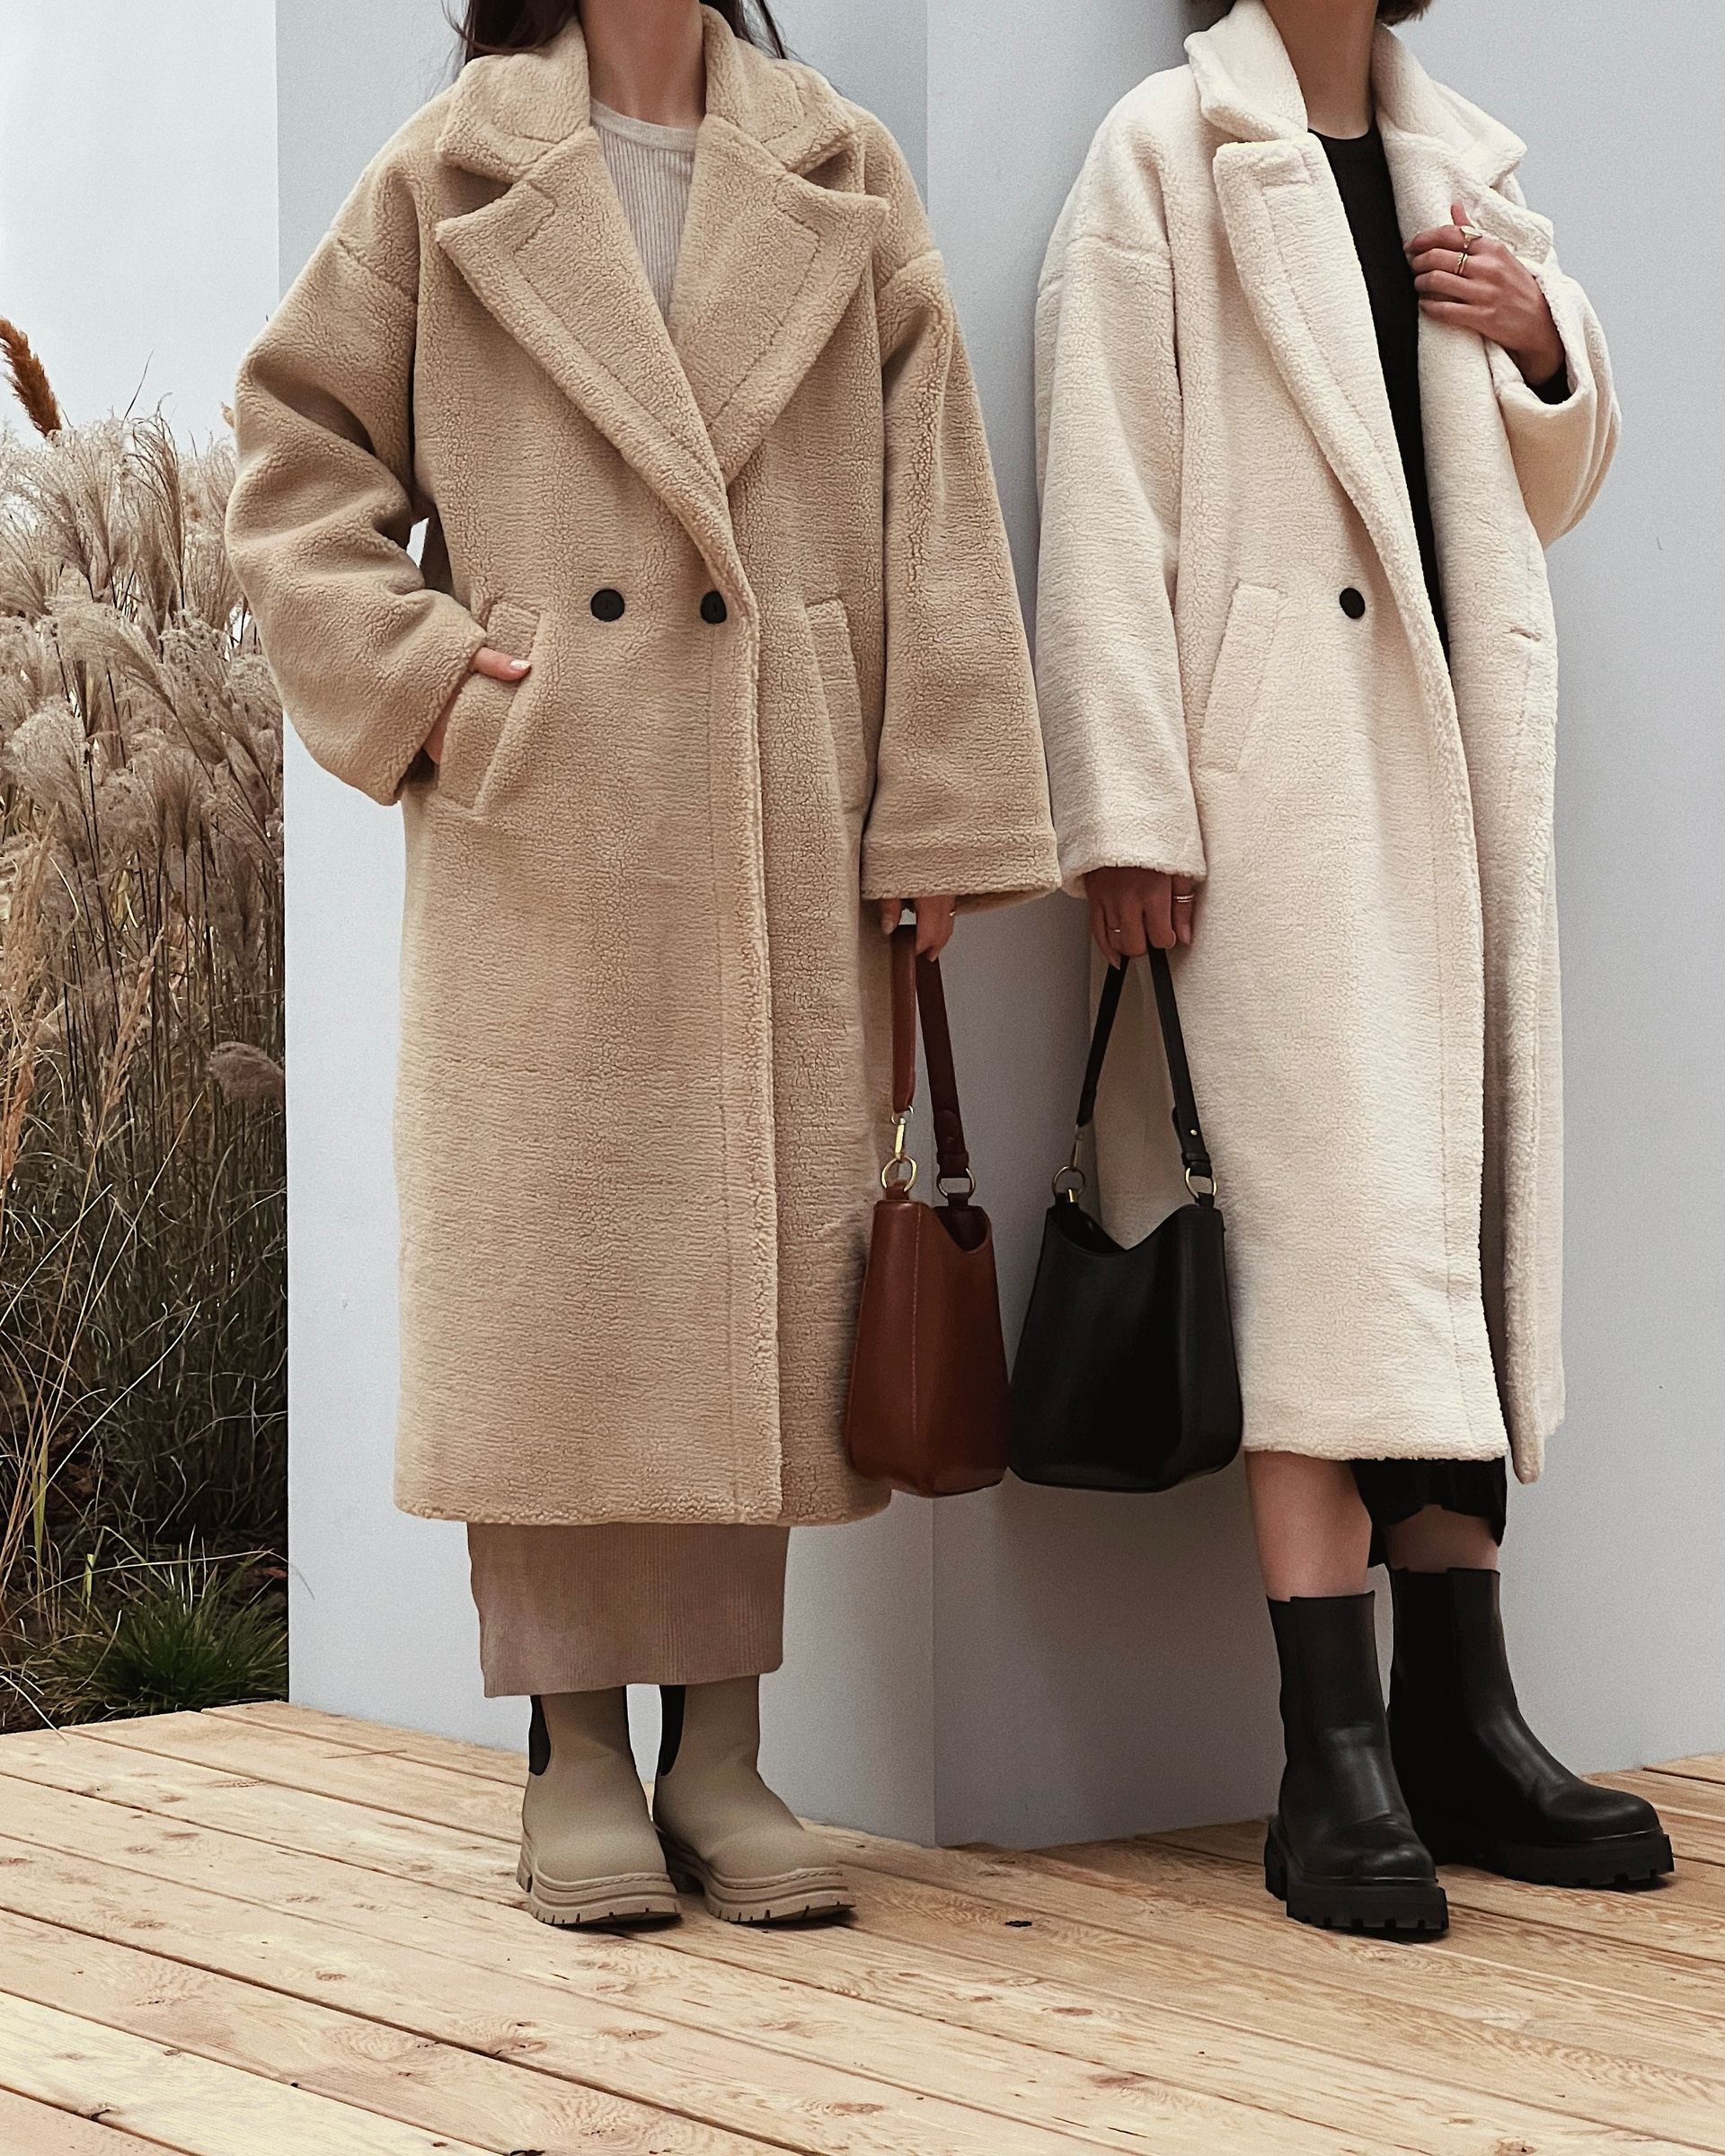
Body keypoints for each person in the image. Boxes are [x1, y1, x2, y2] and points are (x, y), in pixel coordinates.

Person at [227, 0, 1056, 1928]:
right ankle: (575, 1749)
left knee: (750, 1284)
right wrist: (441, 688)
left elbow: (938, 511)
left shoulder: (838, 165)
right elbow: (291, 460)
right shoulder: (452, 167)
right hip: (555, 831)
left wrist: (936, 816)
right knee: (561, 1285)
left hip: (780, 819)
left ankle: (726, 1749)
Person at [1035, 0, 1670, 1934]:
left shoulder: (1456, 162)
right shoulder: (1165, 149)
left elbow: (1547, 486)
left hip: (1455, 770)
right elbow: (1102, 486)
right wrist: (1126, 808)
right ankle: (1329, 1760)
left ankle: (1461, 1720)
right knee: (1318, 1245)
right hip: (1277, 791)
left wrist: (1546, 341)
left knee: (1443, 1236)